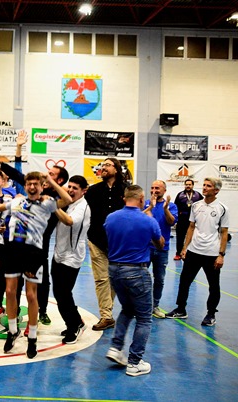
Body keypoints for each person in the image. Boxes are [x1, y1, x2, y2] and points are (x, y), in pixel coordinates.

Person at [0, 171, 71, 358]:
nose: (31, 187)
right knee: (10, 292)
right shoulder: (16, 201)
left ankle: (33, 338)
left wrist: (51, 182)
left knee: (31, 295)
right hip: (13, 250)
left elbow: (67, 199)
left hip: (34, 253)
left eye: (35, 184)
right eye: (29, 183)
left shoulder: (47, 203)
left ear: (41, 185)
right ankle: (13, 331)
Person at [104, 185, 164, 377]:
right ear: (140, 199)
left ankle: (115, 347)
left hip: (114, 270)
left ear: (124, 198)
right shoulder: (147, 221)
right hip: (136, 271)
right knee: (145, 318)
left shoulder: (111, 218)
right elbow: (160, 243)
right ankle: (134, 363)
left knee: (128, 309)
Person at [166, 177, 229, 326]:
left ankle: (211, 314)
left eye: (208, 186)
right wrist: (184, 248)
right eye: (204, 185)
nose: (204, 187)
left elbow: (224, 232)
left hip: (212, 253)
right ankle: (181, 309)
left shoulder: (222, 208)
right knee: (184, 281)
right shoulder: (195, 206)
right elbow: (191, 227)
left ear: (216, 190)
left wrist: (221, 255)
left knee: (214, 286)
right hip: (194, 251)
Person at [84, 157, 127, 331]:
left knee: (115, 279)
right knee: (101, 279)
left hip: (119, 242)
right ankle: (106, 316)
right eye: (102, 165)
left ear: (116, 169)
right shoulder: (93, 190)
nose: (103, 167)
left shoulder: (126, 190)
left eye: (108, 165)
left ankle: (107, 313)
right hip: (96, 239)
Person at [51, 175, 91, 344]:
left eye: (75, 188)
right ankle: (76, 322)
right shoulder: (67, 202)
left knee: (63, 293)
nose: (71, 190)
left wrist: (51, 206)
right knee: (60, 293)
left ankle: (74, 326)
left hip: (72, 257)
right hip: (58, 253)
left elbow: (69, 221)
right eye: (70, 187)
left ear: (84, 191)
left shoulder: (82, 207)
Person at [142, 180, 177, 318]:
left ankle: (154, 306)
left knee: (159, 279)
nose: (154, 190)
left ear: (164, 190)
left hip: (162, 248)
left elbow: (171, 222)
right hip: (145, 247)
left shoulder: (171, 206)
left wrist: (165, 209)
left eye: (157, 188)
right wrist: (150, 207)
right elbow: (137, 218)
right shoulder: (144, 203)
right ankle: (140, 306)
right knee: (141, 278)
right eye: (152, 188)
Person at [173, 179, 202, 260]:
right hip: (182, 220)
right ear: (184, 185)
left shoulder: (198, 195)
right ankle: (178, 254)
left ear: (193, 185)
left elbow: (202, 205)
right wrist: (176, 219)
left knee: (193, 238)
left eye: (189, 184)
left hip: (193, 221)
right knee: (180, 238)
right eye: (186, 184)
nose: (188, 186)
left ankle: (191, 255)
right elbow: (175, 207)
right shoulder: (180, 195)